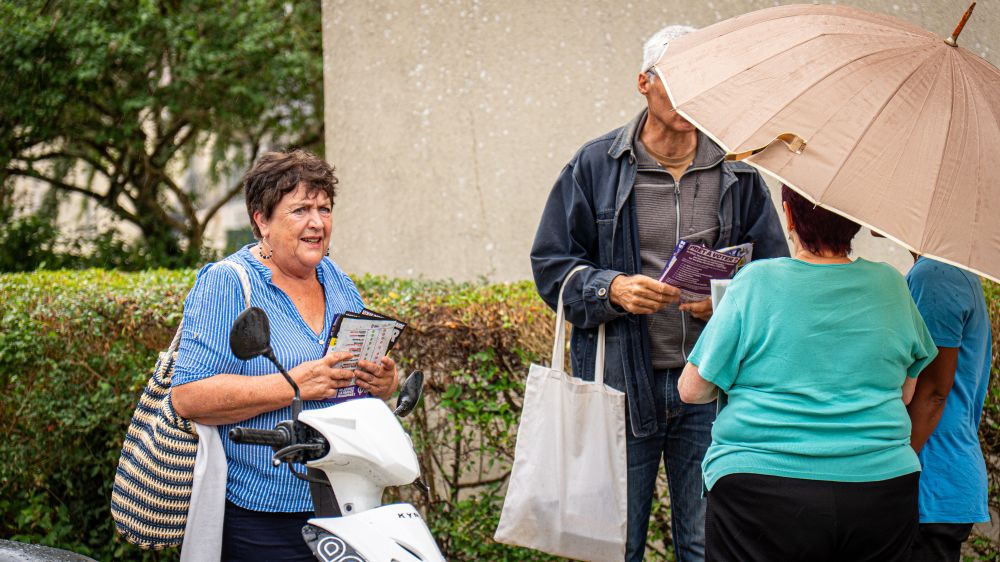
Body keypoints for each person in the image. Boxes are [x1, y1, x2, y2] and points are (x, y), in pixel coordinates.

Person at [529, 25, 788, 562]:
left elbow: (773, 274)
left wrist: (725, 302)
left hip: (712, 385)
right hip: (620, 388)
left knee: (707, 544)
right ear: (643, 82)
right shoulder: (595, 165)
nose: (693, 93)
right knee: (616, 546)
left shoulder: (737, 170)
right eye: (679, 79)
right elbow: (552, 267)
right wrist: (612, 288)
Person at [677, 185, 940, 562]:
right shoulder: (892, 285)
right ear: (856, 221)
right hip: (881, 487)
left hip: (758, 489)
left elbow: (692, 389)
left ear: (788, 215)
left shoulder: (756, 281)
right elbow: (906, 393)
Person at [171, 149, 399, 561]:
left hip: (345, 502)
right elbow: (188, 397)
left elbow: (352, 375)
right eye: (300, 210)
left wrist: (382, 382)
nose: (317, 222)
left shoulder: (336, 279)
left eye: (324, 208)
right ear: (262, 220)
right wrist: (294, 385)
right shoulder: (227, 282)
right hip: (262, 518)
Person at [906, 256, 993, 562]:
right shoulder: (943, 271)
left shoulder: (936, 274)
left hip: (929, 481)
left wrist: (892, 468)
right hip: (936, 480)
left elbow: (933, 392)